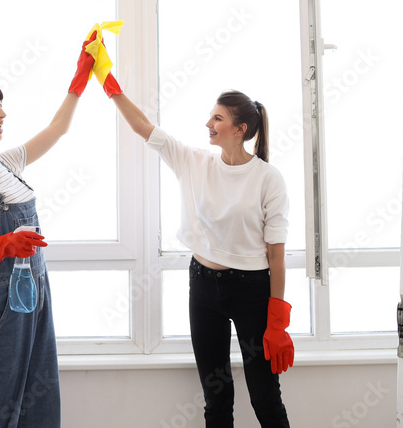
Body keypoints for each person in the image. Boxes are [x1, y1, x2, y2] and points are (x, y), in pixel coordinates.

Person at [103, 70, 293, 428]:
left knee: (265, 397)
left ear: (240, 129)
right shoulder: (194, 162)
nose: (208, 123)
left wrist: (277, 321)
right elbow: (143, 127)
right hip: (203, 287)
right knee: (215, 398)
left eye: (217, 118)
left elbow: (277, 254)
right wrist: (109, 83)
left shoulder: (268, 178)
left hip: (252, 292)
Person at [0, 32, 98, 428]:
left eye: (1, 106)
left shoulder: (7, 163)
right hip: (0, 303)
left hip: (34, 291)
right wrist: (4, 244)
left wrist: (81, 77)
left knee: (38, 403)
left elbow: (57, 130)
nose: (1, 114)